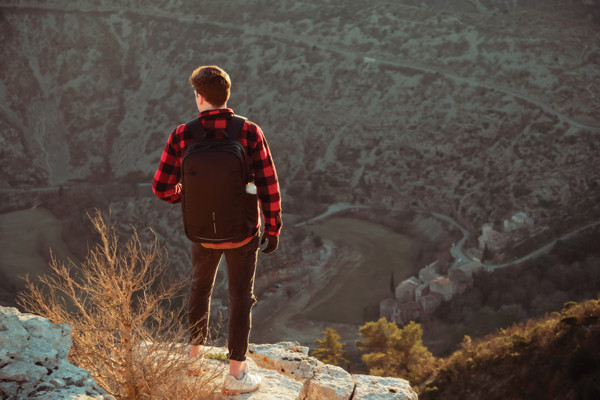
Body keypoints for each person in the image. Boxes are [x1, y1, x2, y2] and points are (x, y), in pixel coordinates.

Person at [152, 65, 282, 395]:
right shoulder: (249, 132)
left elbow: (161, 187)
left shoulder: (182, 134)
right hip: (242, 232)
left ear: (199, 97)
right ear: (227, 96)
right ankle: (236, 374)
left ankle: (194, 360)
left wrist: (186, 196)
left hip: (201, 233)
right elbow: (268, 185)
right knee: (241, 296)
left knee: (200, 289)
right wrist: (274, 227)